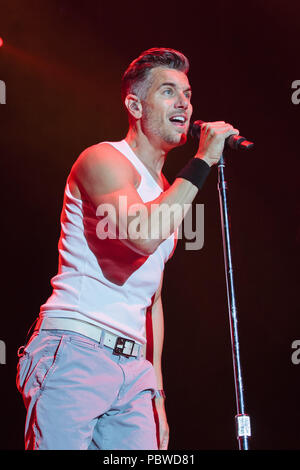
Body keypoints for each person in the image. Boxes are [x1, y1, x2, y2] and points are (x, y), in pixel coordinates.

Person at [16, 47, 238, 450]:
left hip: (134, 372)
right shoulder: (103, 159)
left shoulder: (169, 192)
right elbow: (143, 234)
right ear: (135, 105)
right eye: (169, 92)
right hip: (76, 347)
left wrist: (157, 394)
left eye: (187, 94)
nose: (184, 104)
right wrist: (204, 159)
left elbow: (150, 299)